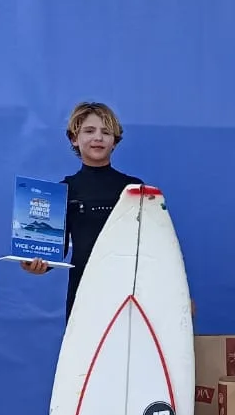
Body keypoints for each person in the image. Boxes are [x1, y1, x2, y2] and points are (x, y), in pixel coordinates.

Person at [20, 101, 144, 318]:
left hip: (133, 293)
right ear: (74, 139)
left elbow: (152, 246)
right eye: (89, 131)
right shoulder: (63, 191)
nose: (98, 137)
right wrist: (35, 264)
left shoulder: (134, 188)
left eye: (106, 132)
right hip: (83, 293)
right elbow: (54, 252)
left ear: (115, 141)